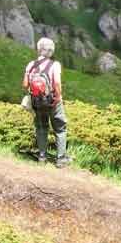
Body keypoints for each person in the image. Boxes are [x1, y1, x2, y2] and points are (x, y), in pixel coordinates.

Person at [22, 37, 70, 168]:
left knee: (41, 127)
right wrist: (57, 99)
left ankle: (42, 156)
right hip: (52, 101)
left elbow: (25, 85)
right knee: (60, 128)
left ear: (39, 50)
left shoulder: (31, 65)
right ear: (51, 51)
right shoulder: (55, 65)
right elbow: (57, 84)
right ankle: (61, 159)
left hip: (37, 102)